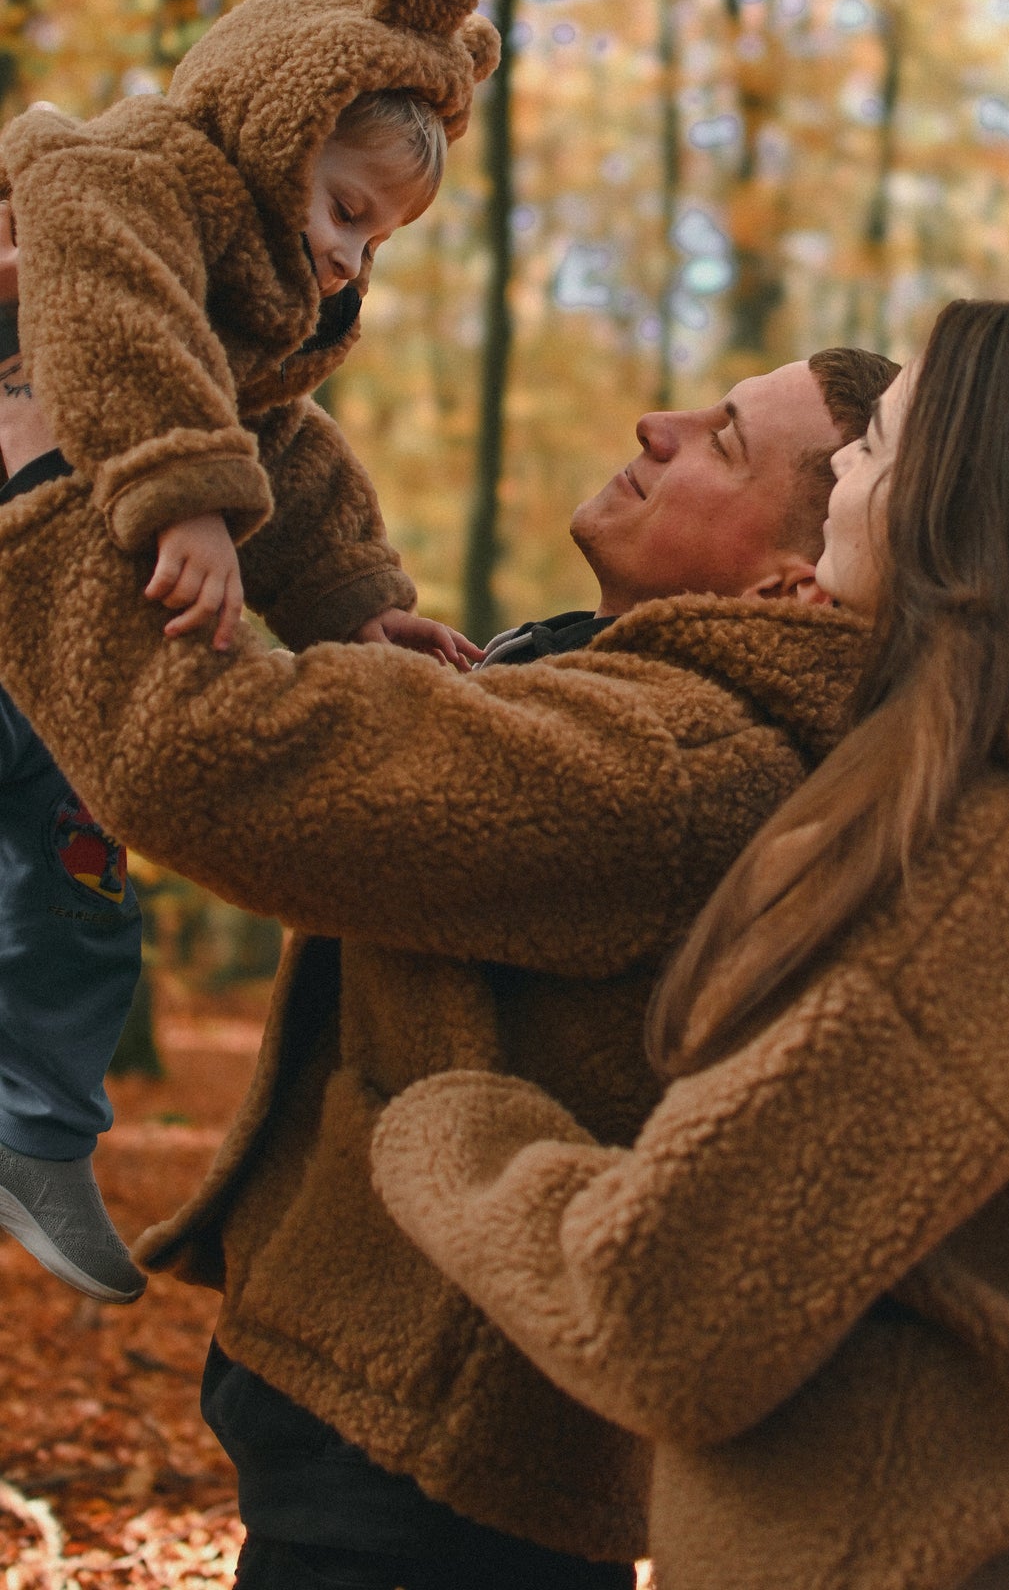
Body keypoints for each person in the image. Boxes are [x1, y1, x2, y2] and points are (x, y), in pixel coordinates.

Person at [368, 299, 1009, 1590]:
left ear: (960, 503)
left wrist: (449, 1128)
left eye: (874, 445)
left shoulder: (1008, 871)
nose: (839, 489)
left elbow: (655, 1312)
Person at [0, 336, 895, 1588]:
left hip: (429, 1485)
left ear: (794, 584)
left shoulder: (682, 764)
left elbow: (204, 759)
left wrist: (39, 477)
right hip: (412, 1447)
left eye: (724, 438)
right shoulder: (626, 696)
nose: (655, 423)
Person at [0, 0, 497, 1306]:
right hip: (24, 530)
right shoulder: (128, 174)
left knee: (75, 880)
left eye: (375, 240)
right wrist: (184, 499)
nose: (347, 260)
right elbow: (110, 310)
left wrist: (354, 606)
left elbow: (288, 448)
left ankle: (35, 1134)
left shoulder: (263, 313)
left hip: (38, 625)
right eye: (344, 210)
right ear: (278, 123)